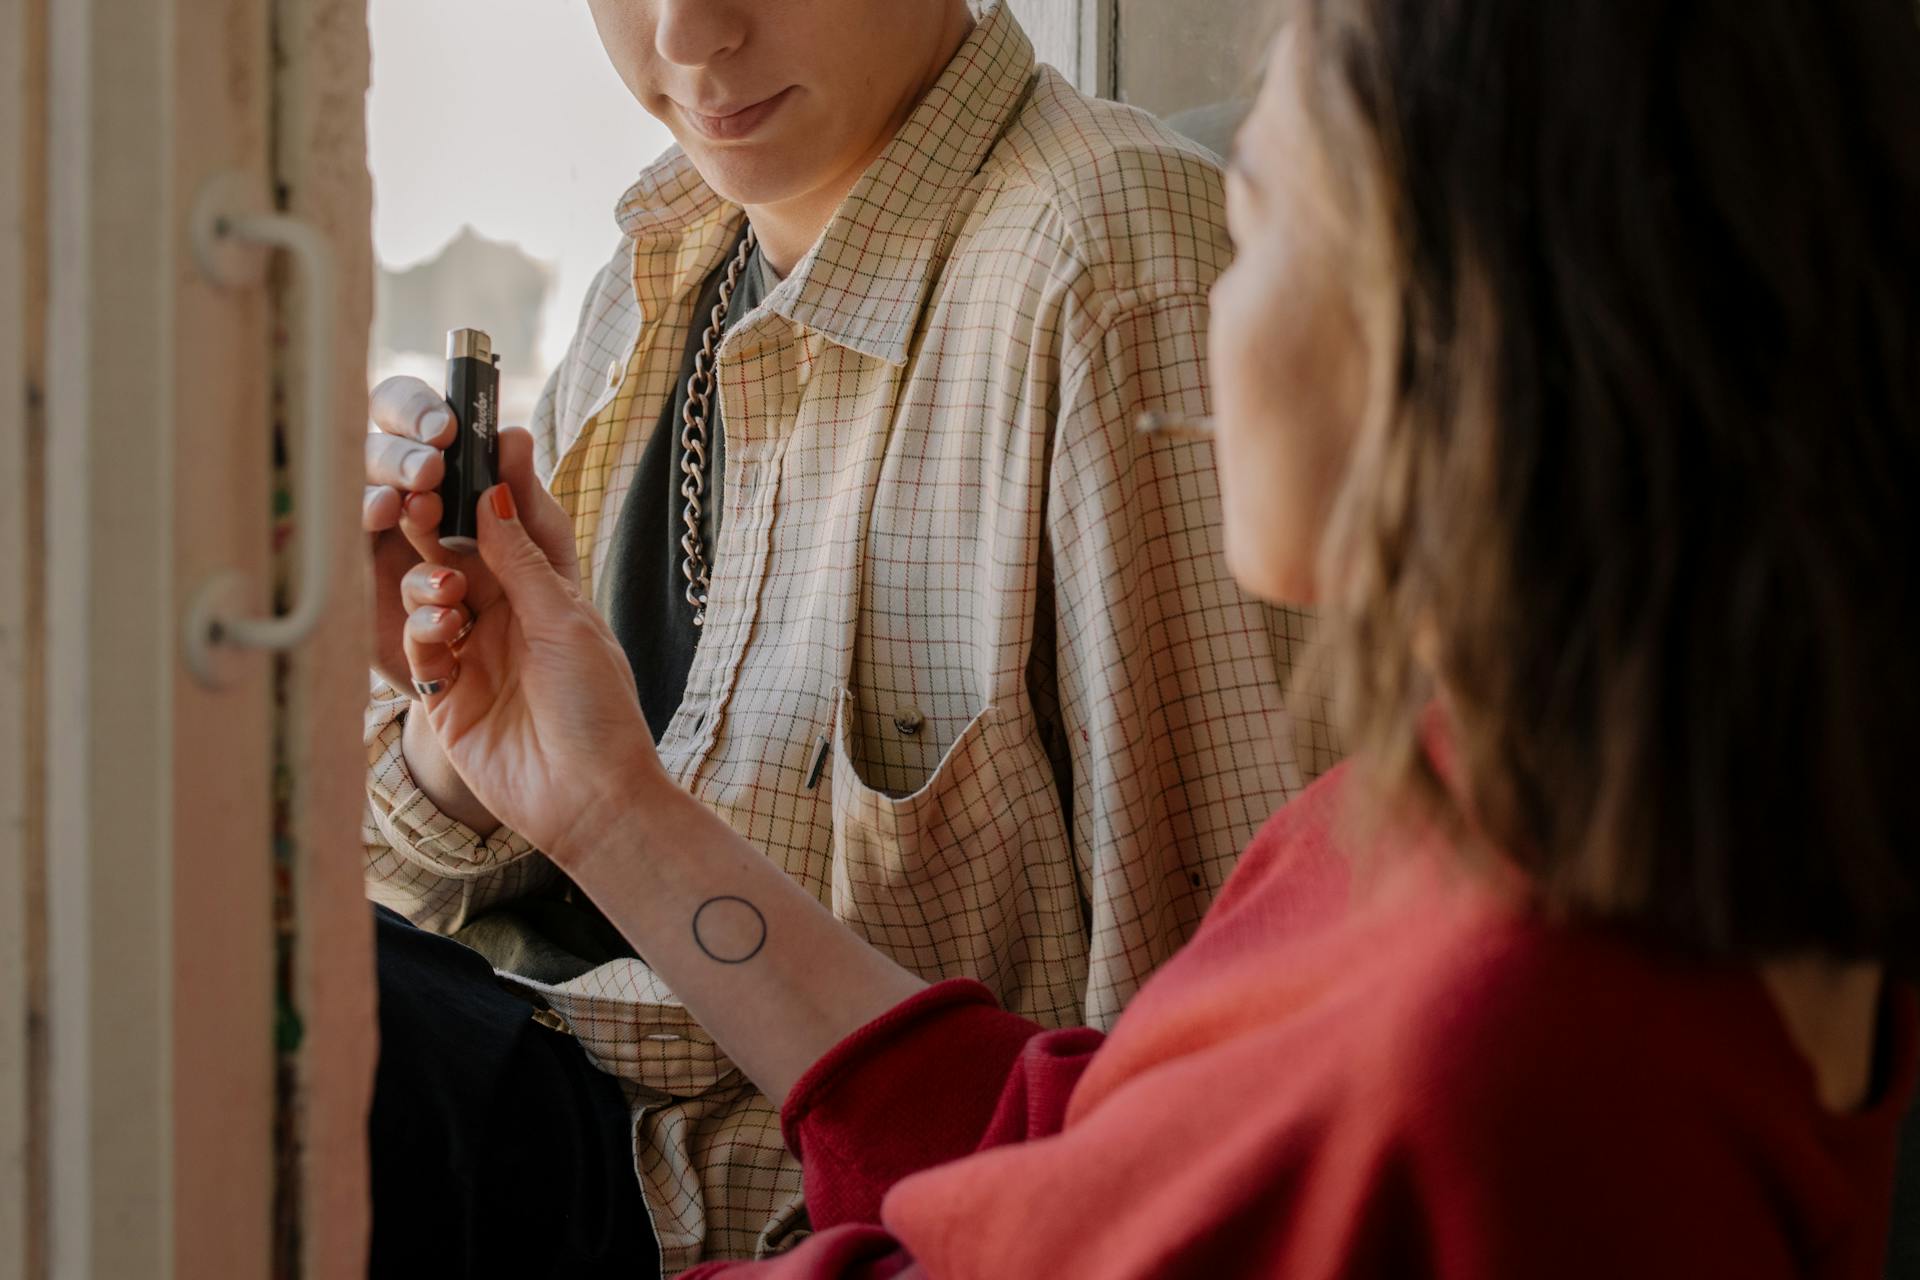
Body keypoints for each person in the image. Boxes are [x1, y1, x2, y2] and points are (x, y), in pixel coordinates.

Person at [393, 0, 1920, 1273]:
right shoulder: (1463, 810)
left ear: (1475, 320)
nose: (1214, 299)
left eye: (1254, 216)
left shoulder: (1502, 1068)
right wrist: (585, 800)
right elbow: (1085, 1133)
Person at [358, 0, 1322, 1271]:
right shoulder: (661, 262)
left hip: (772, 1215)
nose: (688, 36)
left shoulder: (1108, 266)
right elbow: (446, 876)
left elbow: (1211, 1091)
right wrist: (453, 730)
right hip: (548, 1077)